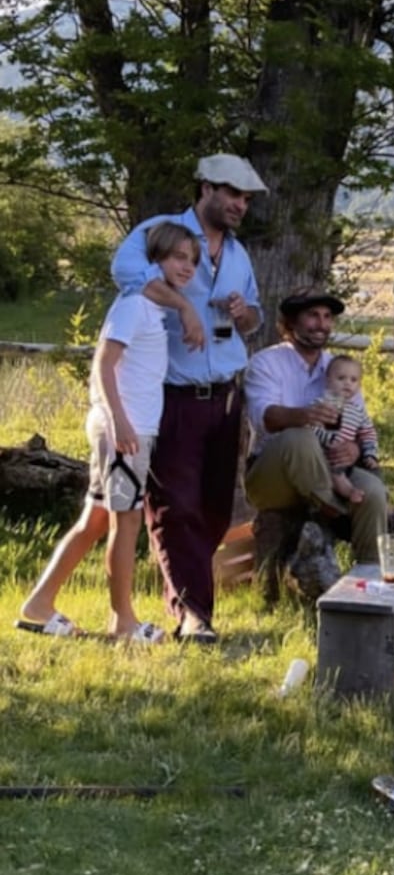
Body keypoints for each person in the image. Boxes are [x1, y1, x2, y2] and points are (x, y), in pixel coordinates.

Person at [15, 223, 200, 640]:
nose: (186, 267)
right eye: (177, 258)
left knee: (96, 519)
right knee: (126, 523)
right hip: (123, 430)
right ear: (155, 261)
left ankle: (38, 605)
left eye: (192, 260)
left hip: (130, 429)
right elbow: (103, 364)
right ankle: (123, 621)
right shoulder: (134, 304)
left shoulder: (153, 309)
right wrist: (120, 422)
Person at [111, 153, 266, 643]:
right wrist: (183, 305)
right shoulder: (160, 232)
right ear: (205, 188)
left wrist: (244, 315)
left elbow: (257, 319)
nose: (240, 204)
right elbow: (124, 272)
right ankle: (193, 614)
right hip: (173, 394)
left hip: (225, 398)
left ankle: (188, 597)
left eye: (246, 197)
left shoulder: (239, 254)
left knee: (217, 508)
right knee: (176, 507)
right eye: (232, 193)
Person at [244, 291, 387, 562]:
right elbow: (264, 418)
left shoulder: (339, 369)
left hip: (331, 468)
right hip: (272, 475)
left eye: (327, 317)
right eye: (312, 316)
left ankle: (370, 577)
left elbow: (359, 424)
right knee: (300, 438)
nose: (321, 324)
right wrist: (305, 415)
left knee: (373, 491)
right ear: (290, 322)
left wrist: (354, 450)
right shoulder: (266, 362)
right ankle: (335, 511)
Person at [313, 354, 381, 505]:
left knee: (374, 471)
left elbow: (368, 433)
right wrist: (328, 439)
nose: (347, 384)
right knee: (335, 473)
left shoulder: (358, 411)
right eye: (341, 378)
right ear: (328, 380)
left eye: (353, 380)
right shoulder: (320, 406)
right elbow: (310, 427)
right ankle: (347, 492)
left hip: (348, 458)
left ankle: (383, 501)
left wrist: (370, 454)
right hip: (324, 454)